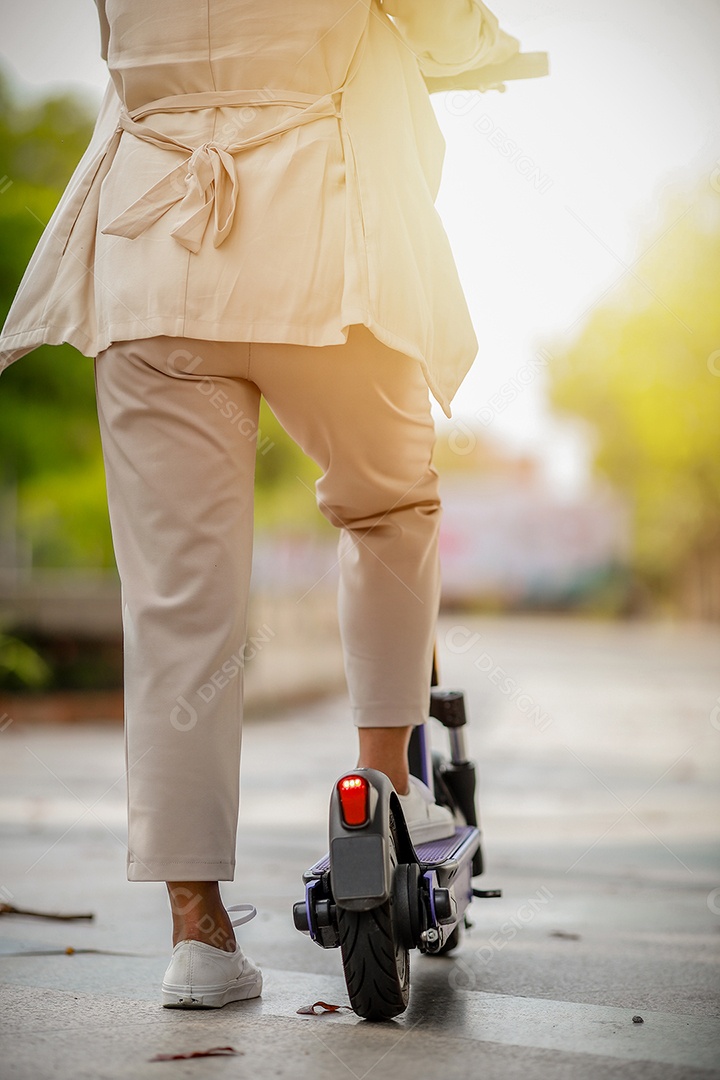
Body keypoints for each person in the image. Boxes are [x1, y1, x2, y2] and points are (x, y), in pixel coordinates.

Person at [0, 0, 520, 1008]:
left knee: (175, 602)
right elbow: (440, 19)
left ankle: (198, 935)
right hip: (326, 249)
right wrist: (485, 48)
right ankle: (381, 797)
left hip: (153, 258)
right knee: (384, 510)